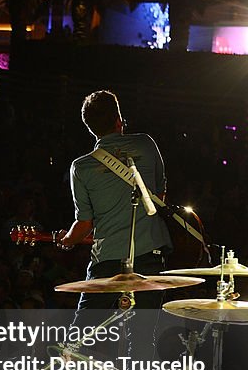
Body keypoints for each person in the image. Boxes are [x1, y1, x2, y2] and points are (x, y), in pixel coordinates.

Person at [54, 90, 172, 311]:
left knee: (84, 336)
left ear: (89, 127)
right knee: (142, 338)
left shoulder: (81, 167)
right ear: (119, 120)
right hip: (150, 255)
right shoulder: (146, 144)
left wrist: (67, 240)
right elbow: (159, 198)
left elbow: (84, 225)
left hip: (107, 261)